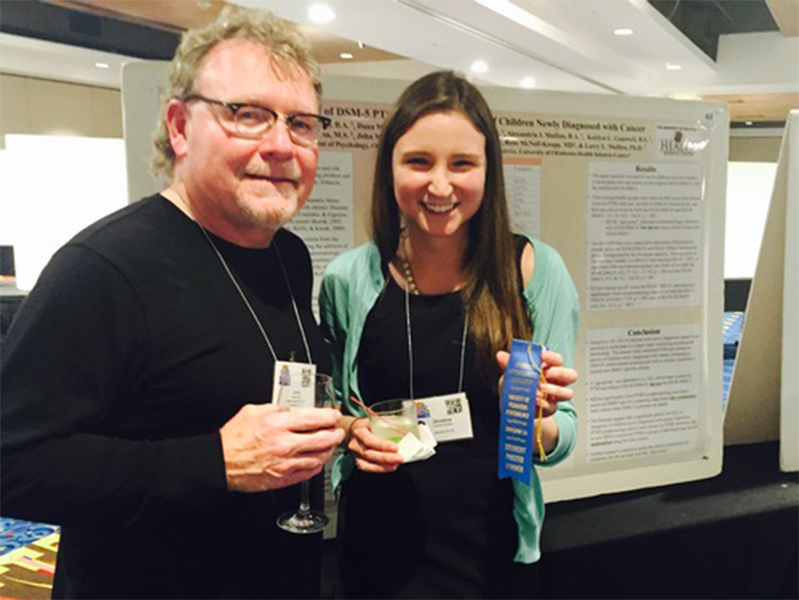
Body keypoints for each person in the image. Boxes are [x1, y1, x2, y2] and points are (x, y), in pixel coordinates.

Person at [0, 8, 345, 599]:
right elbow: (14, 462)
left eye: (301, 123)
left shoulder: (287, 255)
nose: (281, 145)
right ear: (180, 127)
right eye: (248, 115)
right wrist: (216, 463)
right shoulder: (103, 268)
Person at [319, 71, 579, 599]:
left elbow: (559, 438)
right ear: (389, 167)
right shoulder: (348, 280)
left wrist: (534, 416)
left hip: (490, 550)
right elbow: (332, 410)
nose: (440, 186)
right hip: (376, 547)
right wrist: (352, 431)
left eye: (462, 164)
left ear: (489, 171)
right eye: (419, 161)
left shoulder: (532, 272)